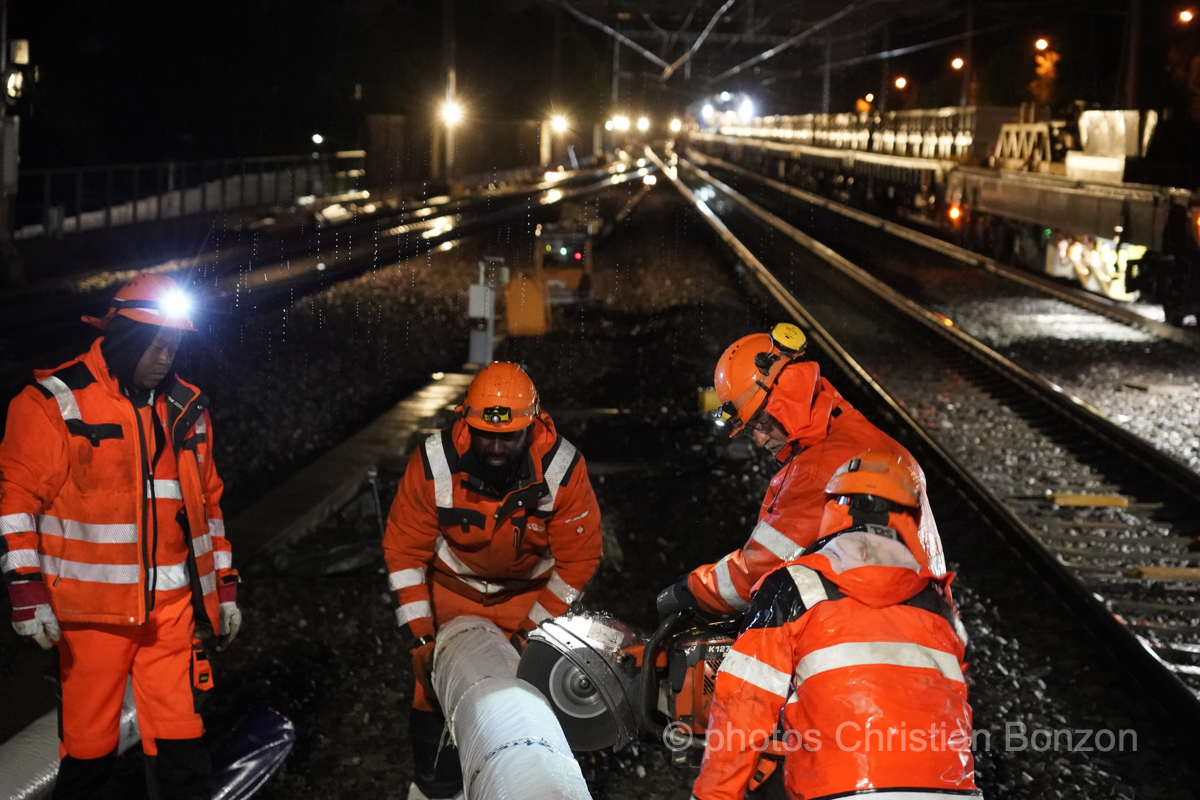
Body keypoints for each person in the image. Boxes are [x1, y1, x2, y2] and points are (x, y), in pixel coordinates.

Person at [0, 273, 240, 800]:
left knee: (181, 746)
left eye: (173, 346)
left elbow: (209, 509)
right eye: (156, 345)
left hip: (171, 613)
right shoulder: (54, 403)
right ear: (125, 338)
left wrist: (223, 585)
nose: (165, 357)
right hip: (91, 617)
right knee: (88, 754)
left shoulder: (186, 409)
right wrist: (26, 590)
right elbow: (16, 501)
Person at [691, 451, 978, 800]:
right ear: (910, 520)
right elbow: (955, 702)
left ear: (834, 510)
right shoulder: (939, 605)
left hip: (840, 789)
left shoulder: (793, 587)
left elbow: (743, 708)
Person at [382, 362, 603, 800]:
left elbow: (579, 561)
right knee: (432, 695)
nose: (497, 448)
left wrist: (532, 637)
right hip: (451, 597)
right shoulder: (434, 463)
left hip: (529, 600)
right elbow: (404, 551)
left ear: (534, 425)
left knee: (534, 701)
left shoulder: (560, 470)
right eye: (486, 434)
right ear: (465, 421)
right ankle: (436, 787)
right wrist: (421, 639)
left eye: (509, 436)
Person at [658, 324, 944, 620]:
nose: (758, 439)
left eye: (760, 421)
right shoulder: (867, 439)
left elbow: (756, 571)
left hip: (868, 638)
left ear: (787, 395)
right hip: (921, 627)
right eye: (750, 429)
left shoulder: (819, 469)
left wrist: (689, 591)